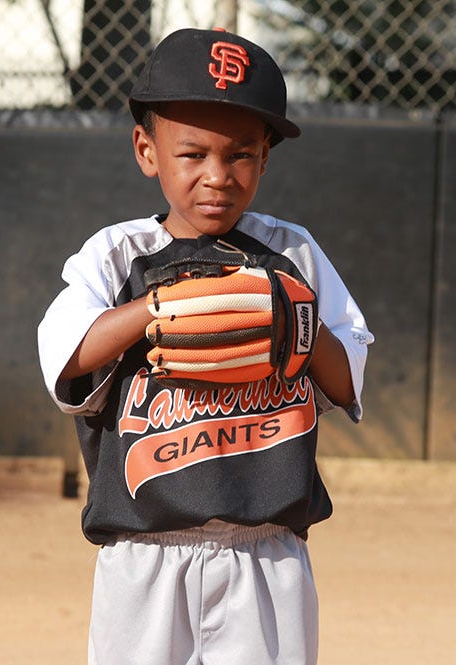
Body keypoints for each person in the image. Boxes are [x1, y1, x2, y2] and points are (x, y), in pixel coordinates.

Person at [37, 27, 373, 665]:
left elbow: (347, 378)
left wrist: (298, 320)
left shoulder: (293, 254)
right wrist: (158, 309)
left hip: (268, 549)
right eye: (192, 154)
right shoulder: (117, 256)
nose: (218, 176)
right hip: (143, 552)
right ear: (147, 150)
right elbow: (66, 354)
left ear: (266, 157)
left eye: (241, 154)